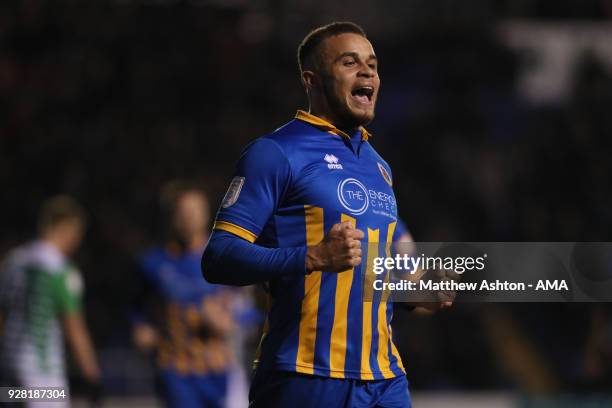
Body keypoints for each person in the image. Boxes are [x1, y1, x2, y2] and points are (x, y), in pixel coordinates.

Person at [201, 22, 452, 408]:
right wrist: (312, 256)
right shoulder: (275, 152)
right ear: (311, 80)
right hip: (305, 377)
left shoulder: (380, 167)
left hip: (385, 380)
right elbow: (218, 258)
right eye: (350, 62)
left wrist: (417, 293)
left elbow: (369, 276)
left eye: (373, 64)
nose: (367, 72)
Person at [132, 181, 252, 408]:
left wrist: (228, 321)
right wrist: (140, 328)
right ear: (172, 216)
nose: (190, 218)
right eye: (183, 212)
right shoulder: (153, 263)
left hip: (219, 370)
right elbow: (137, 307)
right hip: (175, 369)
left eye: (195, 212)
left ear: (207, 215)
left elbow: (247, 309)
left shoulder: (224, 257)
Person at [0, 196, 100, 407]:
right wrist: (91, 373)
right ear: (66, 227)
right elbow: (74, 327)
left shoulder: (13, 261)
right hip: (42, 377)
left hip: (8, 371)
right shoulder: (61, 271)